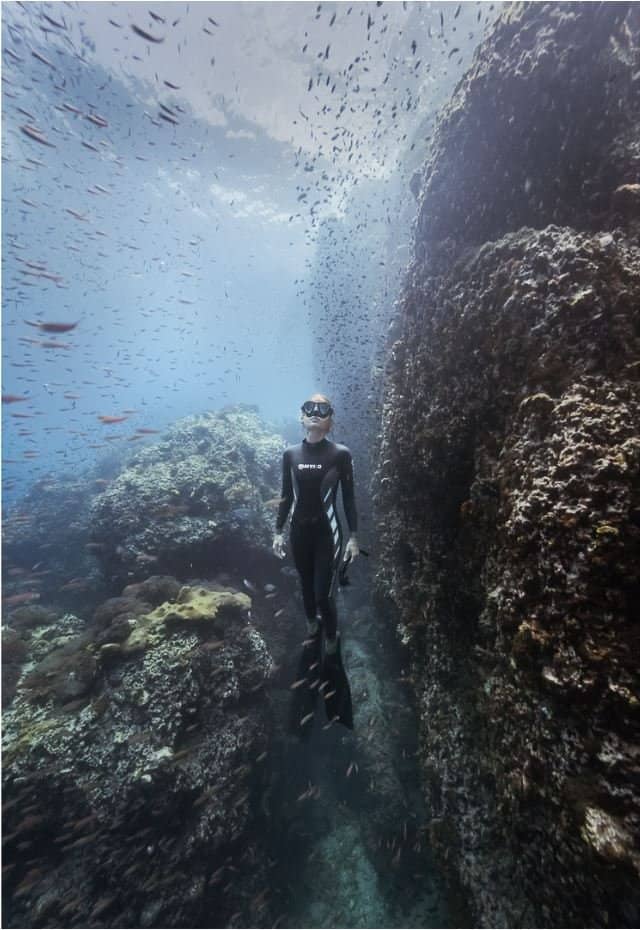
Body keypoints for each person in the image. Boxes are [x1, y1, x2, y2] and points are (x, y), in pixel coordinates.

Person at [273, 393, 359, 730]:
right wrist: (278, 532)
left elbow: (348, 498)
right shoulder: (290, 454)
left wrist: (354, 537)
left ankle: (332, 640)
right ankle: (312, 628)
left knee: (324, 593)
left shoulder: (340, 454)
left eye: (322, 409)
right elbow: (285, 495)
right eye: (309, 408)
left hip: (328, 535)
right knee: (306, 590)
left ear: (330, 418)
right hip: (298, 534)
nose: (314, 413)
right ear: (301, 416)